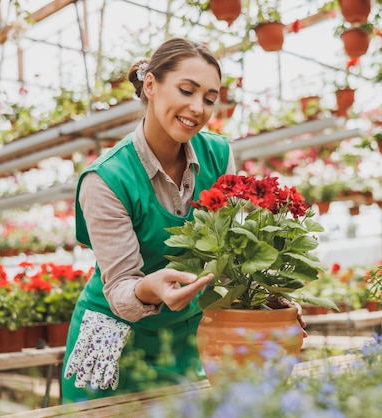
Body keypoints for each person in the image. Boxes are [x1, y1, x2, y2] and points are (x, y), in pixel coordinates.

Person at [61, 37, 236, 403]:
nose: (197, 108)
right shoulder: (105, 179)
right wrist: (148, 287)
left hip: (184, 329)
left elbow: (234, 248)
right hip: (110, 332)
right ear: (152, 85)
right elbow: (122, 287)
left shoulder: (219, 155)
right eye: (186, 90)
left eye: (208, 98)